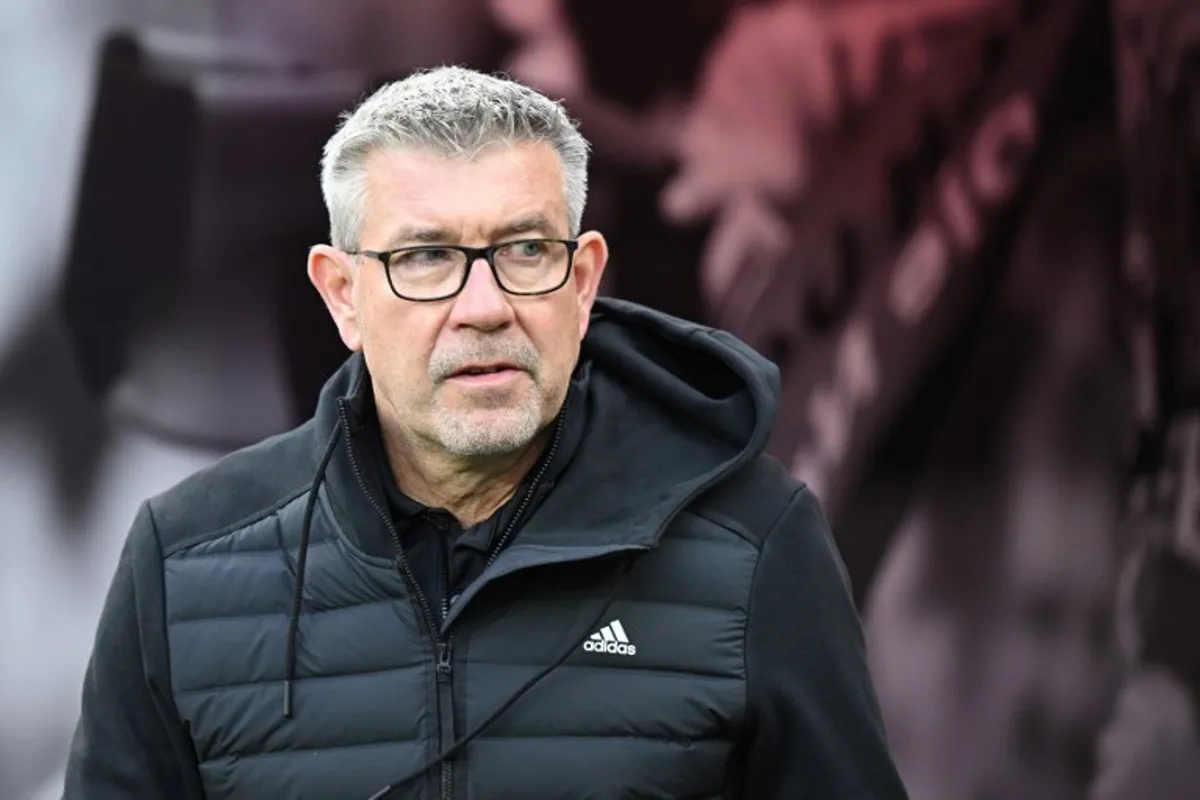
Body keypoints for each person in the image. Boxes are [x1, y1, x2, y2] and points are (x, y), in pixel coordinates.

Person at [62, 65, 907, 799]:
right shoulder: (182, 565)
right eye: (425, 257)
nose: (484, 307)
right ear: (342, 295)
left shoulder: (756, 541)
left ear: (583, 283)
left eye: (525, 250)